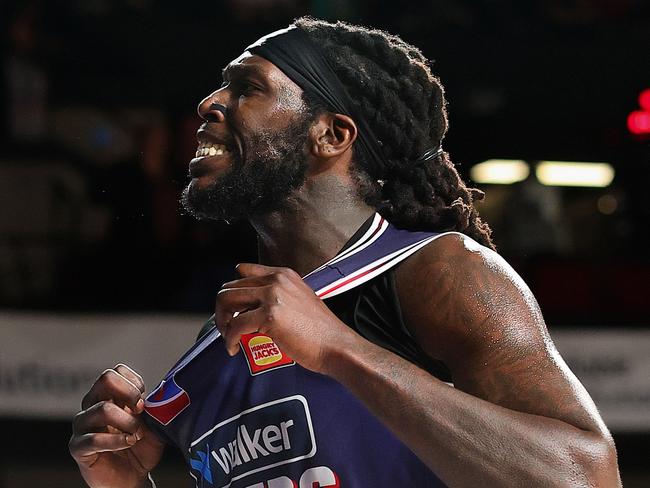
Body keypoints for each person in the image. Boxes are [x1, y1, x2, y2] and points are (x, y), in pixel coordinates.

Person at [69, 17, 621, 487]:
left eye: (247, 88)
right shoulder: (218, 347)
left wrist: (341, 349)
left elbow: (587, 475)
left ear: (332, 135)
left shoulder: (434, 270)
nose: (209, 103)